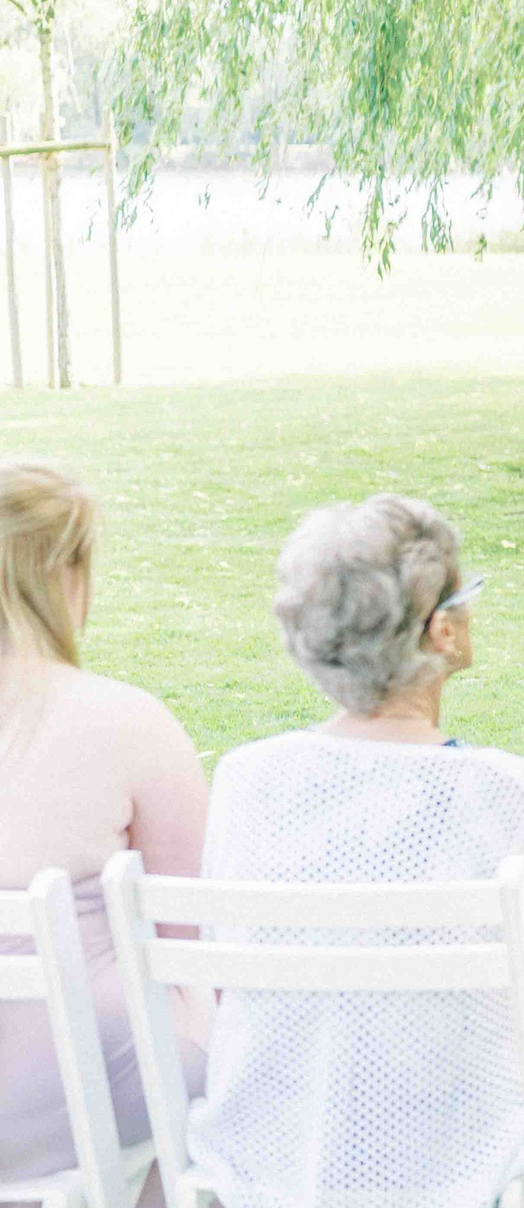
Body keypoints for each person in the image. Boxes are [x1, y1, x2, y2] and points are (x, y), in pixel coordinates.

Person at [188, 496, 524, 1207]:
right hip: (465, 1166)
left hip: (280, 1154)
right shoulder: (505, 791)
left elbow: (226, 986)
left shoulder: (247, 779)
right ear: (441, 630)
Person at [0, 461, 208, 1206]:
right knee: (232, 1053)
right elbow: (196, 939)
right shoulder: (124, 721)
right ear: (64, 574)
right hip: (71, 1095)